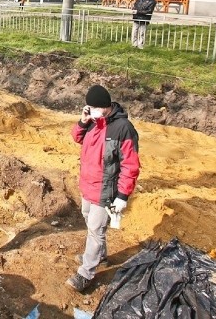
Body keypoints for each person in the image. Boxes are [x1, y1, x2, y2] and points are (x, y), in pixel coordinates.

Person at [66, 84, 140, 292]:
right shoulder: (92, 121)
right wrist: (83, 121)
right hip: (88, 184)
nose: (91, 110)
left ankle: (86, 273)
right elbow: (77, 138)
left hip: (105, 189)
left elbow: (130, 164)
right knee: (88, 218)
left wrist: (123, 195)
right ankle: (101, 256)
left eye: (93, 107)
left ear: (105, 107)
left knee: (95, 230)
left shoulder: (123, 128)